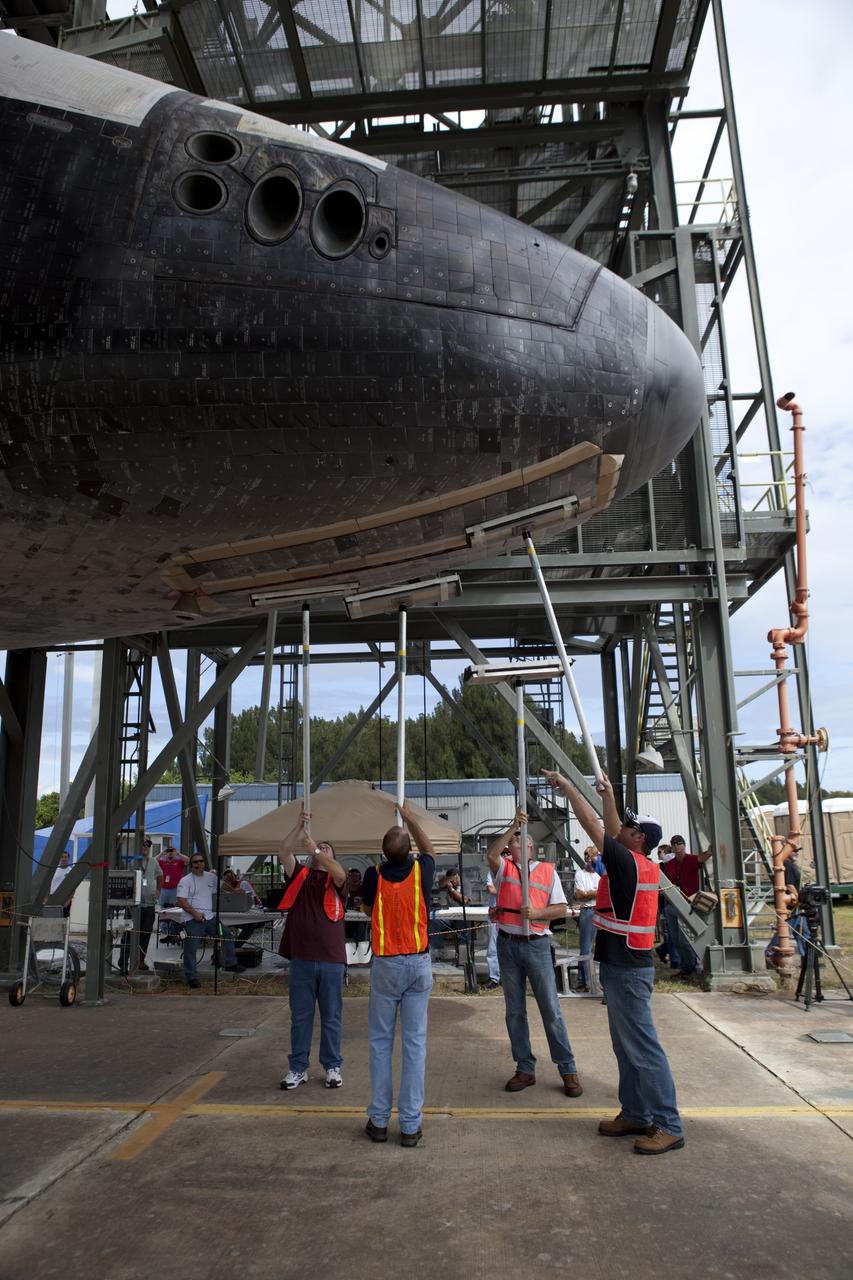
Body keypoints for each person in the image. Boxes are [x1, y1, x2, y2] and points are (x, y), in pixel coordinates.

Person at [543, 768, 684, 1156]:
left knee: (643, 1047)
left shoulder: (627, 863)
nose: (622, 827)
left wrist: (570, 788)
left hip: (627, 970)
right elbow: (609, 824)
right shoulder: (634, 862)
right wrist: (606, 794)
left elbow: (596, 827)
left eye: (629, 826)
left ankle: (668, 1124)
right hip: (622, 966)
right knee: (625, 1047)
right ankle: (636, 1113)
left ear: (638, 839)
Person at [486, 808, 582, 1098]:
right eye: (511, 841)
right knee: (514, 1011)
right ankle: (525, 1068)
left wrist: (538, 912)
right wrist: (512, 825)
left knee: (550, 1010)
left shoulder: (546, 872)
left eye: (517, 840)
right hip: (508, 944)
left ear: (528, 846)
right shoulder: (503, 867)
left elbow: (561, 908)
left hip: (537, 944)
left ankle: (567, 1068)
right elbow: (492, 855)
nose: (512, 843)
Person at [360, 801, 436, 1148]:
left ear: (383, 852)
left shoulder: (373, 876)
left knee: (380, 1043)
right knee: (414, 1044)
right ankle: (409, 1125)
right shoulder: (422, 871)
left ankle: (378, 1121)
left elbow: (365, 907)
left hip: (387, 965)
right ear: (409, 851)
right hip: (417, 965)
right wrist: (410, 818)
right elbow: (430, 848)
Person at [276, 812, 348, 1091]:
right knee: (300, 1017)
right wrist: (299, 827)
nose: (323, 848)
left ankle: (332, 1066)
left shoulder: (337, 880)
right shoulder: (300, 877)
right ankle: (298, 1068)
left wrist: (316, 849)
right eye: (321, 847)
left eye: (329, 848)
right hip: (303, 959)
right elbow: (283, 851)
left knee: (332, 1016)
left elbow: (339, 872)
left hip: (331, 960)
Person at [176, 855, 244, 988]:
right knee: (191, 949)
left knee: (226, 935)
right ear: (191, 865)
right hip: (192, 919)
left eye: (201, 861)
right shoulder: (185, 881)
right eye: (195, 862)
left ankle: (231, 963)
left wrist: (234, 890)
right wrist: (195, 914)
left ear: (204, 863)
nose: (199, 864)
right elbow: (181, 900)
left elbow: (222, 885)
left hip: (209, 918)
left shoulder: (210, 877)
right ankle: (191, 976)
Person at [664, 835, 712, 976]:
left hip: (689, 905)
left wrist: (710, 850)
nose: (677, 846)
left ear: (684, 845)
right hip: (672, 905)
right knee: (675, 938)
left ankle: (693, 967)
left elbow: (703, 858)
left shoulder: (692, 859)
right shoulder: (670, 865)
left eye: (680, 843)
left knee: (685, 940)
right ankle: (685, 967)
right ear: (671, 847)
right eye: (674, 844)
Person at [573, 847, 601, 991]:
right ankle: (583, 980)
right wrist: (596, 892)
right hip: (588, 911)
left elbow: (602, 892)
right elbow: (580, 895)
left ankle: (600, 981)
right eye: (586, 854)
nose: (588, 857)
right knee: (585, 948)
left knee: (602, 948)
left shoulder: (599, 874)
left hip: (600, 911)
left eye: (591, 855)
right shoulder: (580, 874)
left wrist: (589, 893)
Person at [138, 840, 162, 970]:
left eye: (148, 846)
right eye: (143, 845)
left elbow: (160, 875)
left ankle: (141, 960)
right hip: (135, 906)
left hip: (149, 905)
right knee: (131, 934)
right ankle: (125, 961)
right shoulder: (133, 861)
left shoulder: (153, 861)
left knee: (146, 934)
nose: (146, 848)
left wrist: (158, 890)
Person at [157, 844, 189, 941]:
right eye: (168, 852)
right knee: (163, 908)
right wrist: (162, 853)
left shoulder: (178, 862)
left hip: (175, 889)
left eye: (172, 852)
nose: (170, 854)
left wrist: (178, 853)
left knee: (174, 909)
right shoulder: (162, 862)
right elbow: (154, 861)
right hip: (164, 888)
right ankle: (163, 929)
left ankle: (172, 930)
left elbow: (188, 860)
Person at [484, 868, 501, 988]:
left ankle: (508, 977)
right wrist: (508, 890)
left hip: (510, 912)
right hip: (495, 911)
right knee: (492, 947)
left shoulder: (516, 870)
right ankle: (494, 978)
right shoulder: (492, 872)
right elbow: (490, 889)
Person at [47, 850, 74, 916]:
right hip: (52, 897)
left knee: (63, 919)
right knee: (51, 917)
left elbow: (73, 887)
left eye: (65, 857)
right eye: (62, 857)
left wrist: (68, 900)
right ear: (59, 858)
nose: (63, 859)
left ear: (68, 858)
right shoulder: (53, 870)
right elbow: (47, 884)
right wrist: (46, 898)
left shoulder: (71, 871)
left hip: (65, 898)